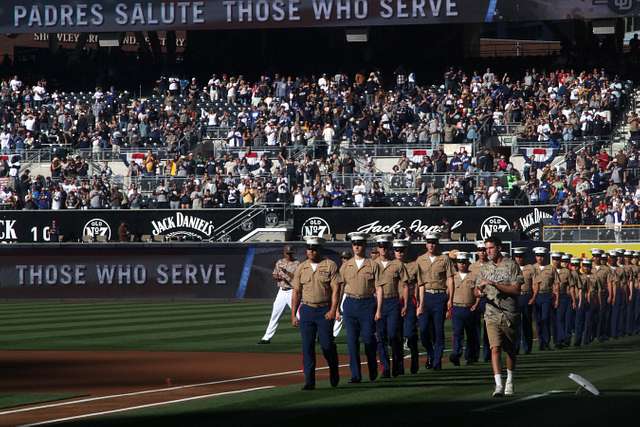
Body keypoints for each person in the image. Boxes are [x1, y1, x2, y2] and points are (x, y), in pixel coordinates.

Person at [474, 236, 523, 397]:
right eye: (486, 248)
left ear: (499, 248)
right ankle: (498, 385)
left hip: (509, 313)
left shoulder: (511, 265)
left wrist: (495, 284)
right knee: (494, 348)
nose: (487, 251)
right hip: (491, 313)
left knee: (510, 350)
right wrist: (480, 292)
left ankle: (510, 380)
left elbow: (516, 290)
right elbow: (476, 290)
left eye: (491, 248)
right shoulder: (485, 268)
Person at [291, 237, 340, 390]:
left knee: (326, 345)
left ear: (319, 249)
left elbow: (336, 289)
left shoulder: (330, 265)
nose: (311, 252)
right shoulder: (301, 267)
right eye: (309, 249)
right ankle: (309, 381)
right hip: (307, 310)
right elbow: (296, 292)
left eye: (314, 249)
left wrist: (333, 309)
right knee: (307, 346)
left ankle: (333, 367)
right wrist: (293, 314)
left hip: (324, 310)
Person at [340, 232, 379, 383]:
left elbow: (379, 288)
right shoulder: (346, 266)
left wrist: (379, 308)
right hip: (350, 304)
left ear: (364, 246)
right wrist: (336, 308)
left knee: (369, 339)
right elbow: (340, 287)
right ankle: (355, 375)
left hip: (367, 304)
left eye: (360, 244)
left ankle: (372, 368)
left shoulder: (373, 265)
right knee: (351, 341)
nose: (357, 247)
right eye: (355, 244)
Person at [416, 232, 454, 370]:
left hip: (439, 296)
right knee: (424, 330)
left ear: (437, 244)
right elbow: (418, 282)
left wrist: (450, 298)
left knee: (438, 330)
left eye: (434, 242)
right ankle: (431, 354)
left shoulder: (444, 259)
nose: (431, 245)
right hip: (425, 296)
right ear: (426, 244)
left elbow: (450, 279)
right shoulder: (420, 260)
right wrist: (419, 303)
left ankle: (437, 361)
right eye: (429, 242)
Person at [374, 234, 409, 378]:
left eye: (386, 246)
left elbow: (405, 285)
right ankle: (385, 367)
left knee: (394, 335)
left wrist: (405, 305)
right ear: (378, 248)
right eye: (381, 246)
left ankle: (398, 365)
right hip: (376, 303)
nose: (383, 249)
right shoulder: (372, 264)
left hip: (393, 302)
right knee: (380, 337)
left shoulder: (397, 264)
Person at [259, 245, 300, 344]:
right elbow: (274, 274)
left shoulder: (297, 263)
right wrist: (276, 276)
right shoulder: (279, 262)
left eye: (290, 253)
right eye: (287, 253)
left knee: (300, 315)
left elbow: (297, 278)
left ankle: (315, 336)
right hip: (281, 291)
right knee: (275, 315)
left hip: (292, 291)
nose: (289, 255)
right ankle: (266, 338)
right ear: (284, 253)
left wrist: (286, 272)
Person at [449, 252, 480, 366]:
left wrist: (476, 304)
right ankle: (456, 355)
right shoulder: (452, 277)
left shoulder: (474, 276)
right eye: (459, 262)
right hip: (457, 307)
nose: (461, 264)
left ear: (468, 263)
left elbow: (478, 293)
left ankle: (470, 356)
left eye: (464, 262)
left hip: (470, 308)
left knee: (471, 334)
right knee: (457, 333)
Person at [394, 239, 420, 374]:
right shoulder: (390, 265)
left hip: (409, 302)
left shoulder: (414, 266)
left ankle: (414, 359)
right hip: (394, 302)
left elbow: (419, 285)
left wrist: (419, 304)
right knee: (396, 336)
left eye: (402, 250)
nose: (399, 253)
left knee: (409, 334)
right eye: (397, 250)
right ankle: (399, 366)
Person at [531, 247, 559, 351]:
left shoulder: (551, 268)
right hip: (535, 296)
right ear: (535, 257)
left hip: (547, 295)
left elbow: (556, 284)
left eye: (542, 256)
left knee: (545, 319)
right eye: (538, 256)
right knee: (538, 320)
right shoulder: (532, 268)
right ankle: (541, 342)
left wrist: (556, 299)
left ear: (545, 257)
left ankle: (546, 342)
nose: (540, 258)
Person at [470, 241, 490, 362]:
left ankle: (487, 354)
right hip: (475, 300)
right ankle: (474, 354)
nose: (482, 252)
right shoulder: (472, 267)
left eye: (484, 250)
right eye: (480, 250)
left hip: (488, 299)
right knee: (474, 329)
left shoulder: (492, 265)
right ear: (477, 251)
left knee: (488, 328)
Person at [512, 247, 534, 354]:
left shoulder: (530, 268)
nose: (519, 258)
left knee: (527, 322)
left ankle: (527, 347)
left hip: (526, 296)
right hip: (515, 297)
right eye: (517, 256)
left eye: (521, 256)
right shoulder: (511, 268)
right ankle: (515, 347)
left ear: (524, 257)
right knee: (515, 324)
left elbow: (535, 284)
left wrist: (533, 297)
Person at [555, 254, 576, 348]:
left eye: (558, 259)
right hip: (554, 297)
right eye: (554, 259)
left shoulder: (567, 272)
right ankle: (560, 339)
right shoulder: (550, 270)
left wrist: (574, 300)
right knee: (559, 320)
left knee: (567, 320)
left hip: (565, 297)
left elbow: (571, 287)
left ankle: (566, 339)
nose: (565, 263)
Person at [592, 249, 612, 341]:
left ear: (600, 257)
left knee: (601, 315)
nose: (596, 258)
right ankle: (592, 334)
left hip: (603, 294)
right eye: (594, 256)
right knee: (592, 315)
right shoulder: (588, 267)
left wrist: (610, 295)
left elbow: (609, 283)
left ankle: (600, 334)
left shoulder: (606, 269)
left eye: (598, 256)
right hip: (591, 294)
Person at [332, 251, 352, 338]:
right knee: (340, 315)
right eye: (343, 258)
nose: (345, 260)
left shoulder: (352, 267)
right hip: (344, 294)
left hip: (353, 294)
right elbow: (340, 287)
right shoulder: (341, 269)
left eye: (346, 258)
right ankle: (332, 335)